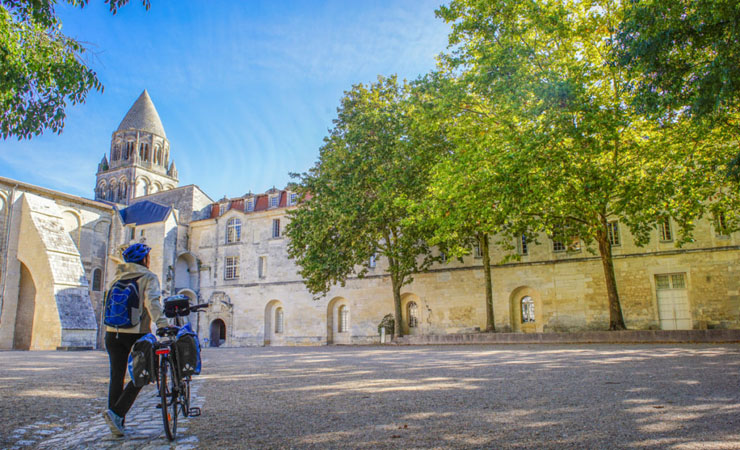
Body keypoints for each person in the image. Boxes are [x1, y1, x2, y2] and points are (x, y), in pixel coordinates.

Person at [102, 243, 168, 436]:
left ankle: (117, 422)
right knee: (145, 372)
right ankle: (117, 413)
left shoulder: (116, 279)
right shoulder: (148, 277)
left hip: (111, 333)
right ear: (145, 259)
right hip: (136, 332)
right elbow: (152, 303)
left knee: (117, 375)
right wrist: (162, 325)